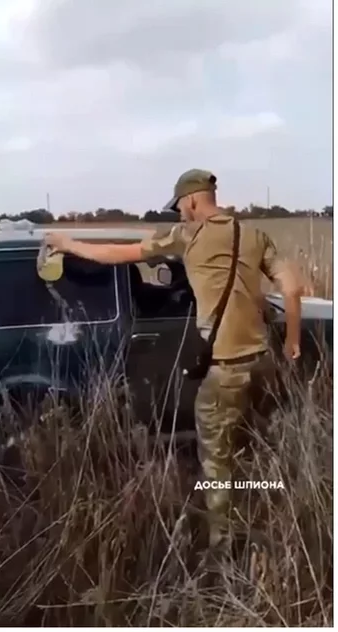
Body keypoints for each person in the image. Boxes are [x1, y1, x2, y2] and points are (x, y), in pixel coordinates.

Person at [43, 169, 304, 566]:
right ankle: (264, 494)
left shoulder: (187, 236)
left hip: (225, 369)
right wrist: (293, 340)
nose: (180, 213)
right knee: (251, 435)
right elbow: (292, 288)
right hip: (262, 360)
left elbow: (117, 255)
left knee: (215, 458)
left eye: (181, 206)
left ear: (194, 200)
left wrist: (67, 243)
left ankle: (223, 549)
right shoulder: (253, 236)